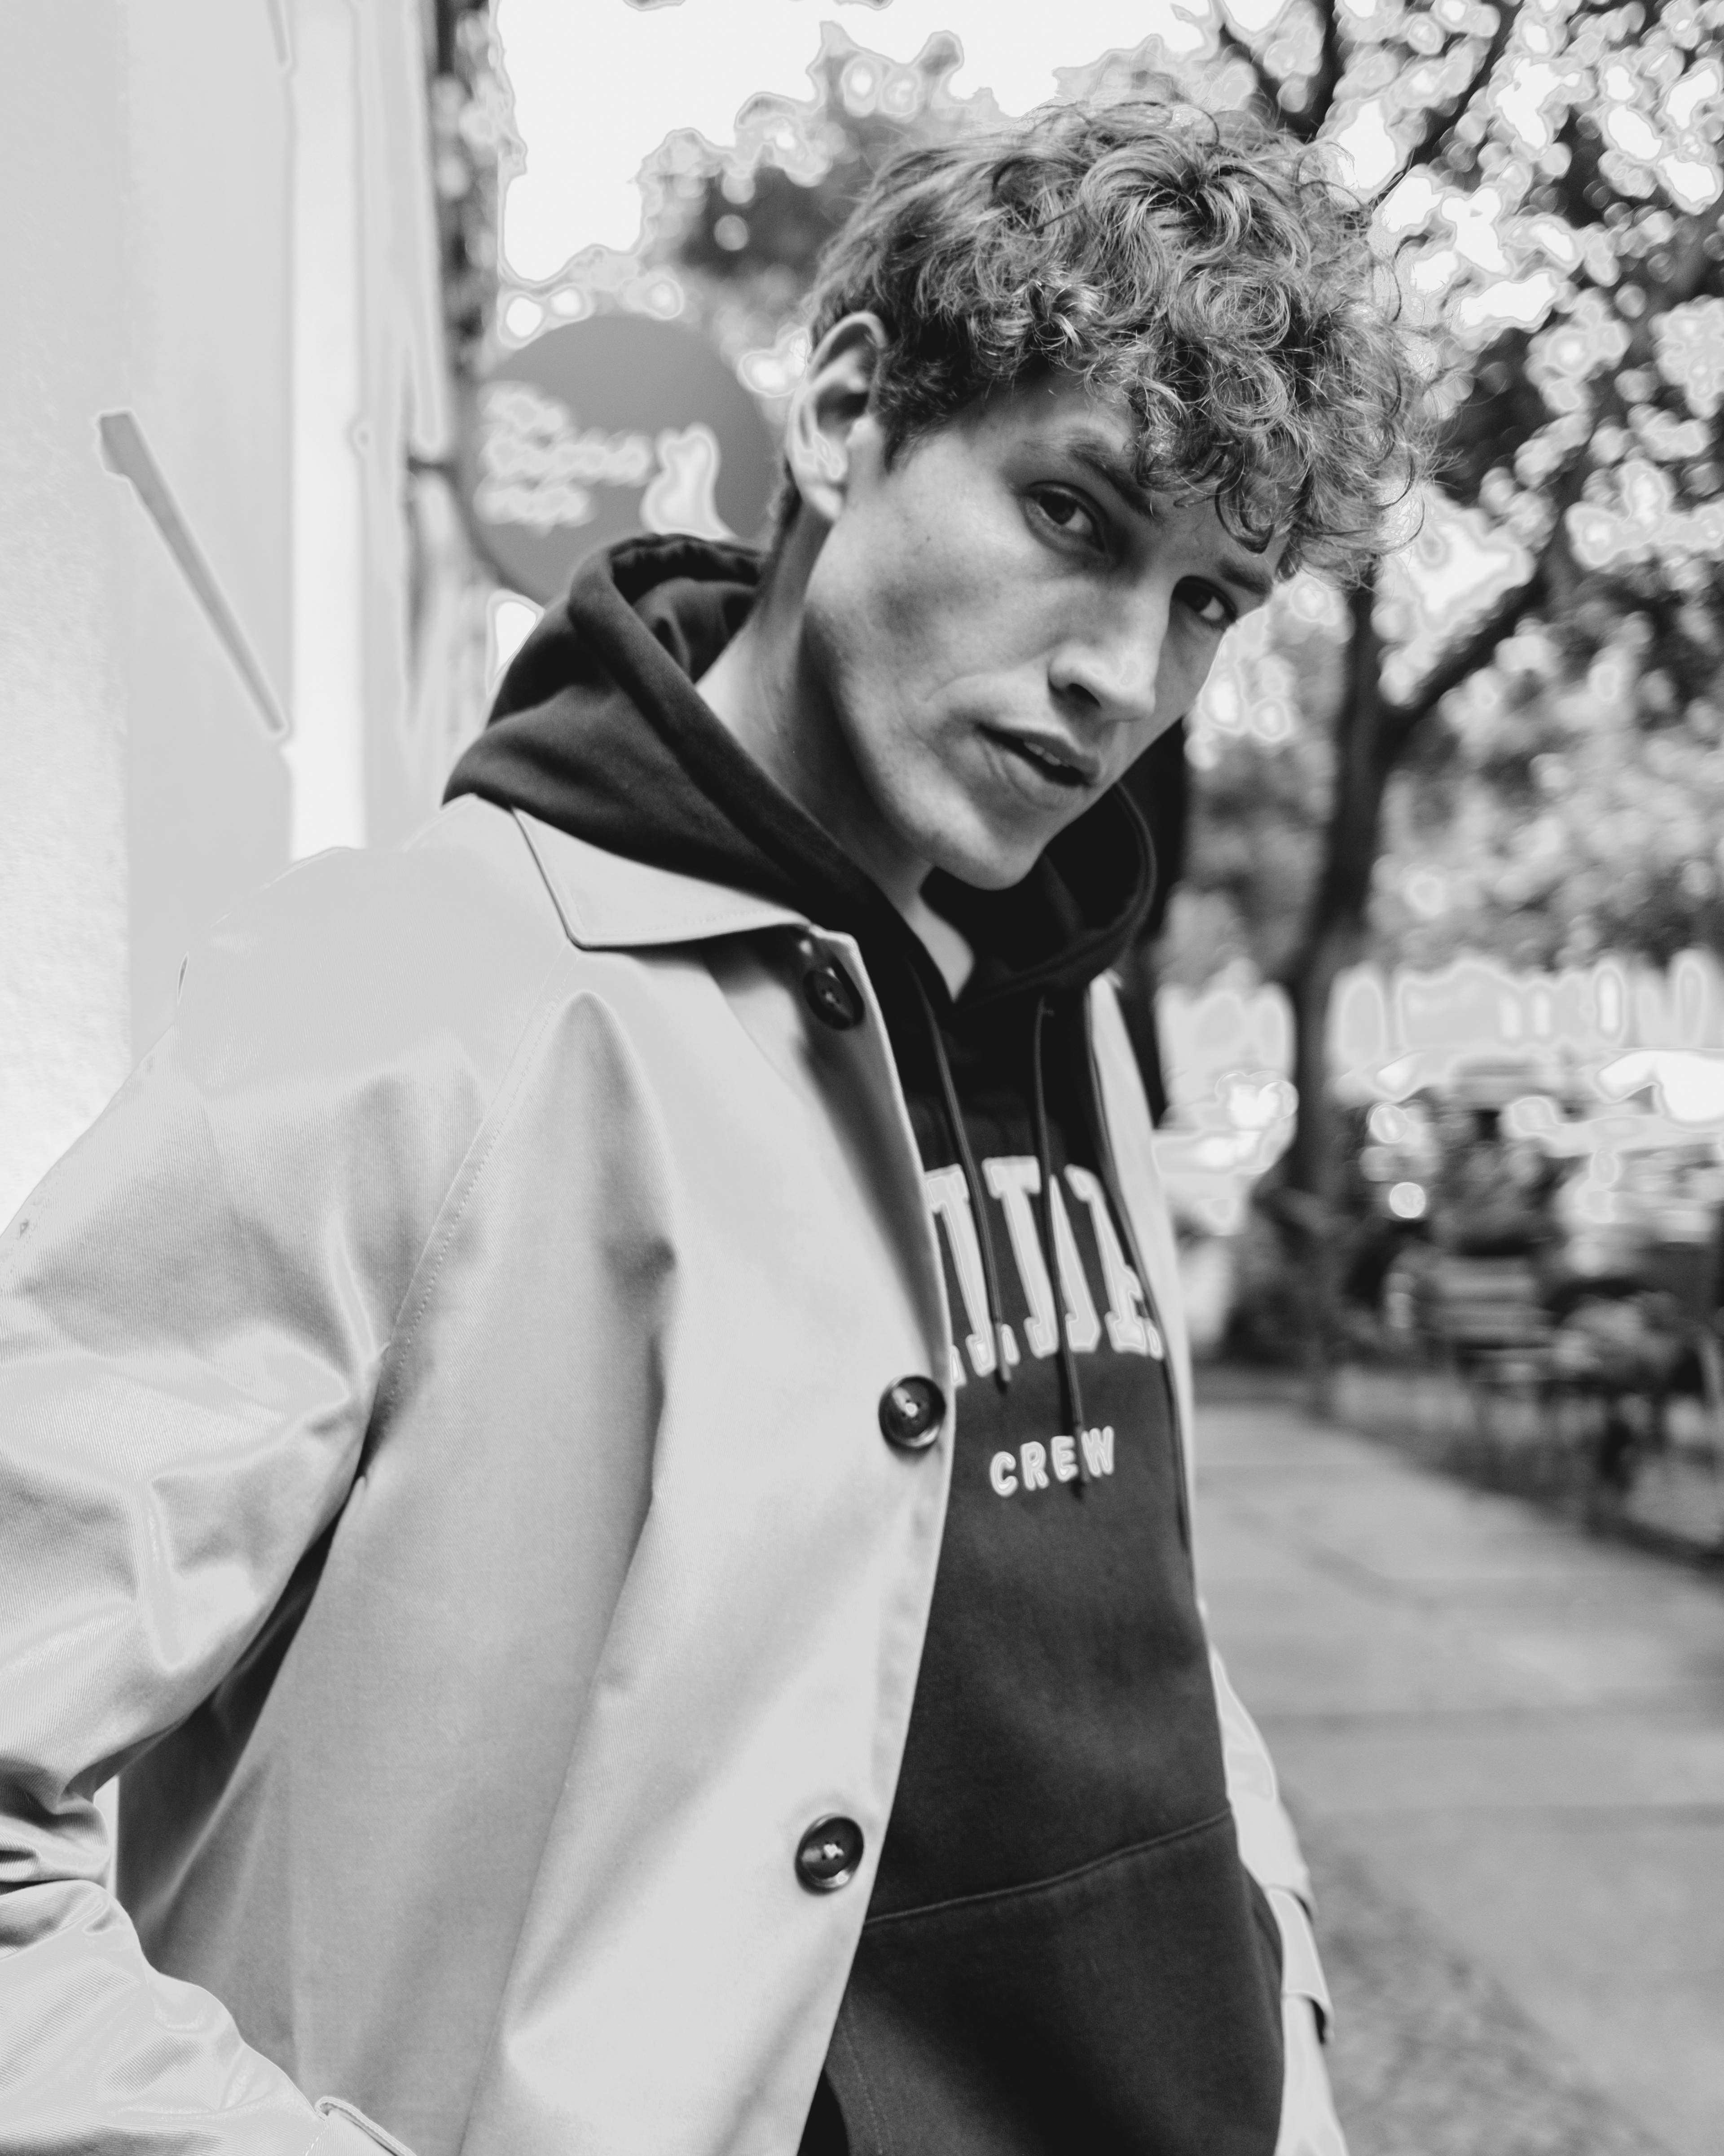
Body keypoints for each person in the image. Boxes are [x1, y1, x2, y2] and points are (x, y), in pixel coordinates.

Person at [0, 95, 1424, 2156]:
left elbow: (1135, 1622)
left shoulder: (1071, 1016)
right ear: (845, 414)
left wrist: (1279, 2017)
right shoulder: (412, 988)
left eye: (1212, 598)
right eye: (1077, 518)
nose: (1127, 673)